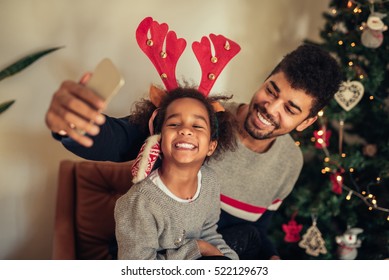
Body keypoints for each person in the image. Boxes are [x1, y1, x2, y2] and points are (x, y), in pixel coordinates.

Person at [46, 44, 343, 259]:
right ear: (265, 80)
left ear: (306, 122)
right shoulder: (200, 117)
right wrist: (73, 126)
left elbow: (256, 230)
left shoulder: (290, 162)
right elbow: (120, 139)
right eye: (271, 91)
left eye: (290, 109)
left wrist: (270, 258)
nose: (270, 108)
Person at [114, 86, 238, 260]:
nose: (186, 130)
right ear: (159, 139)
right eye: (174, 124)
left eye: (197, 125)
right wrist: (197, 248)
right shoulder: (140, 202)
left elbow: (209, 234)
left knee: (250, 236)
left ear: (211, 146)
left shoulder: (210, 181)